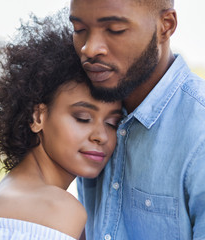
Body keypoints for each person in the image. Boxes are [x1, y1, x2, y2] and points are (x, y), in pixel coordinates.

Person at [0, 10, 123, 240]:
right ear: (38, 117)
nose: (101, 136)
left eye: (112, 123)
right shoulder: (59, 209)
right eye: (83, 118)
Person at [69, 0, 205, 239]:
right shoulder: (88, 109)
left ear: (166, 25)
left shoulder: (199, 132)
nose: (89, 49)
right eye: (79, 30)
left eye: (114, 30)